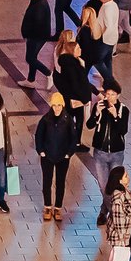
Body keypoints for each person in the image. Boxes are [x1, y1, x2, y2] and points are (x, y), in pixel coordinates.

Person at [32, 92, 78, 225]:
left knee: (60, 182)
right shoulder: (45, 119)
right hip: (47, 156)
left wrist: (69, 153)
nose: (57, 108)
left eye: (59, 105)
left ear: (62, 105)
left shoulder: (68, 120)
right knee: (47, 181)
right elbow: (39, 135)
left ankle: (57, 207)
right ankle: (47, 207)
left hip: (63, 157)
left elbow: (73, 138)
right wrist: (40, 150)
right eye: (54, 105)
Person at [102, 167, 131, 261]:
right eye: (126, 176)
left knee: (129, 249)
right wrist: (122, 236)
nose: (128, 177)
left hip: (127, 230)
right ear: (119, 180)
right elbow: (118, 218)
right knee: (118, 252)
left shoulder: (125, 191)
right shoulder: (118, 197)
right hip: (120, 232)